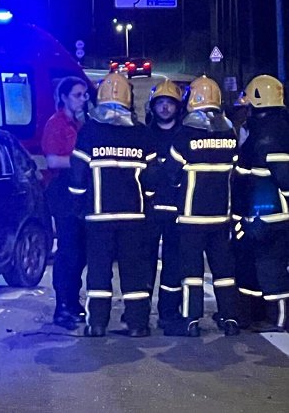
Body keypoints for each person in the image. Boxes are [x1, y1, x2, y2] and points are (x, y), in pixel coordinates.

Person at [69, 73, 156, 337]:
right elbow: (152, 178)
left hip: (99, 216)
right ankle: (137, 324)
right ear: (129, 99)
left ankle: (97, 323)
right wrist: (147, 201)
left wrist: (77, 201)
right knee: (134, 270)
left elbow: (77, 174)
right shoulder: (140, 133)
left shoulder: (90, 131)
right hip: (133, 216)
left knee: (99, 270)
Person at [163, 75, 240, 337]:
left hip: (191, 218)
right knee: (224, 271)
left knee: (192, 273)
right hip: (221, 216)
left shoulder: (185, 134)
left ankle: (191, 320)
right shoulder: (229, 133)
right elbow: (235, 169)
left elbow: (171, 174)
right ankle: (230, 318)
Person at [232, 74, 289, 332]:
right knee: (256, 266)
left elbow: (280, 180)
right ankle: (253, 314)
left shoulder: (269, 134)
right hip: (261, 215)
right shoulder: (269, 128)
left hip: (270, 217)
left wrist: (262, 217)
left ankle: (278, 319)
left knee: (272, 268)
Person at [41, 76, 90, 329]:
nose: (83, 99)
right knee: (68, 252)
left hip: (80, 195)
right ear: (63, 97)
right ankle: (63, 306)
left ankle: (73, 302)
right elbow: (53, 161)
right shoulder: (56, 124)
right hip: (62, 194)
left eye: (84, 95)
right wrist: (84, 162)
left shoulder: (82, 124)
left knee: (80, 253)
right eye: (77, 95)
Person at [145, 80, 184, 328]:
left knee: (174, 263)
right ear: (153, 107)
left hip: (178, 209)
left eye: (170, 103)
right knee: (144, 260)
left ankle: (169, 312)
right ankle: (139, 310)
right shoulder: (144, 135)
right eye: (161, 103)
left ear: (177, 107)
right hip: (148, 209)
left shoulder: (185, 135)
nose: (166, 108)